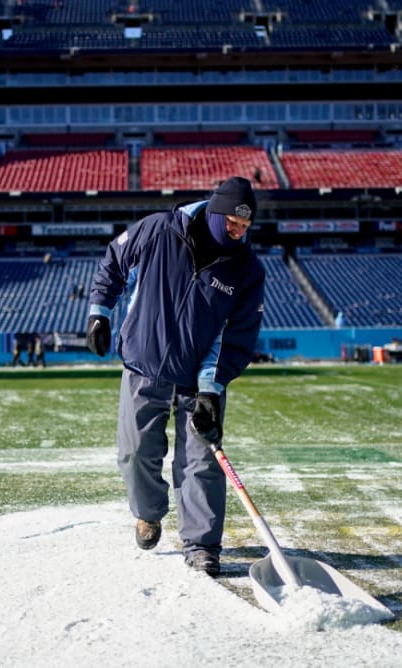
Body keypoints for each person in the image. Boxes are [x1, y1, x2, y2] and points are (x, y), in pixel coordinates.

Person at [86, 175, 265, 577]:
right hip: (143, 362)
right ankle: (148, 513)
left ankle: (202, 545)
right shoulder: (159, 229)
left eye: (245, 227)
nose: (238, 233)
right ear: (216, 212)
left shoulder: (247, 270)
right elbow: (113, 262)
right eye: (233, 224)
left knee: (201, 461)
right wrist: (100, 311)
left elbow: (235, 336)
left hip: (197, 378)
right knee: (135, 452)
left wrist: (210, 389)